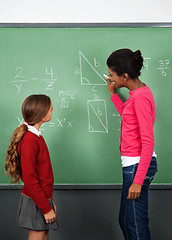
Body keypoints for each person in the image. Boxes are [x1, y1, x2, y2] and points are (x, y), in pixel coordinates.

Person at [105, 49, 157, 240]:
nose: (110, 78)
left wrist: (137, 180)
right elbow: (129, 119)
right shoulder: (137, 94)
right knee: (126, 220)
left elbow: (148, 140)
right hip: (133, 164)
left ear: (124, 76)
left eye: (112, 74)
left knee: (135, 224)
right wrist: (114, 95)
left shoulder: (141, 97)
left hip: (137, 167)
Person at [5, 94, 58, 240]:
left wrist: (50, 201)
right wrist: (46, 208)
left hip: (41, 199)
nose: (53, 109)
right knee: (38, 235)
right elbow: (29, 178)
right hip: (35, 200)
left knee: (44, 235)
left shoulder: (37, 136)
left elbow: (42, 175)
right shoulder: (29, 140)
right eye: (50, 108)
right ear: (41, 115)